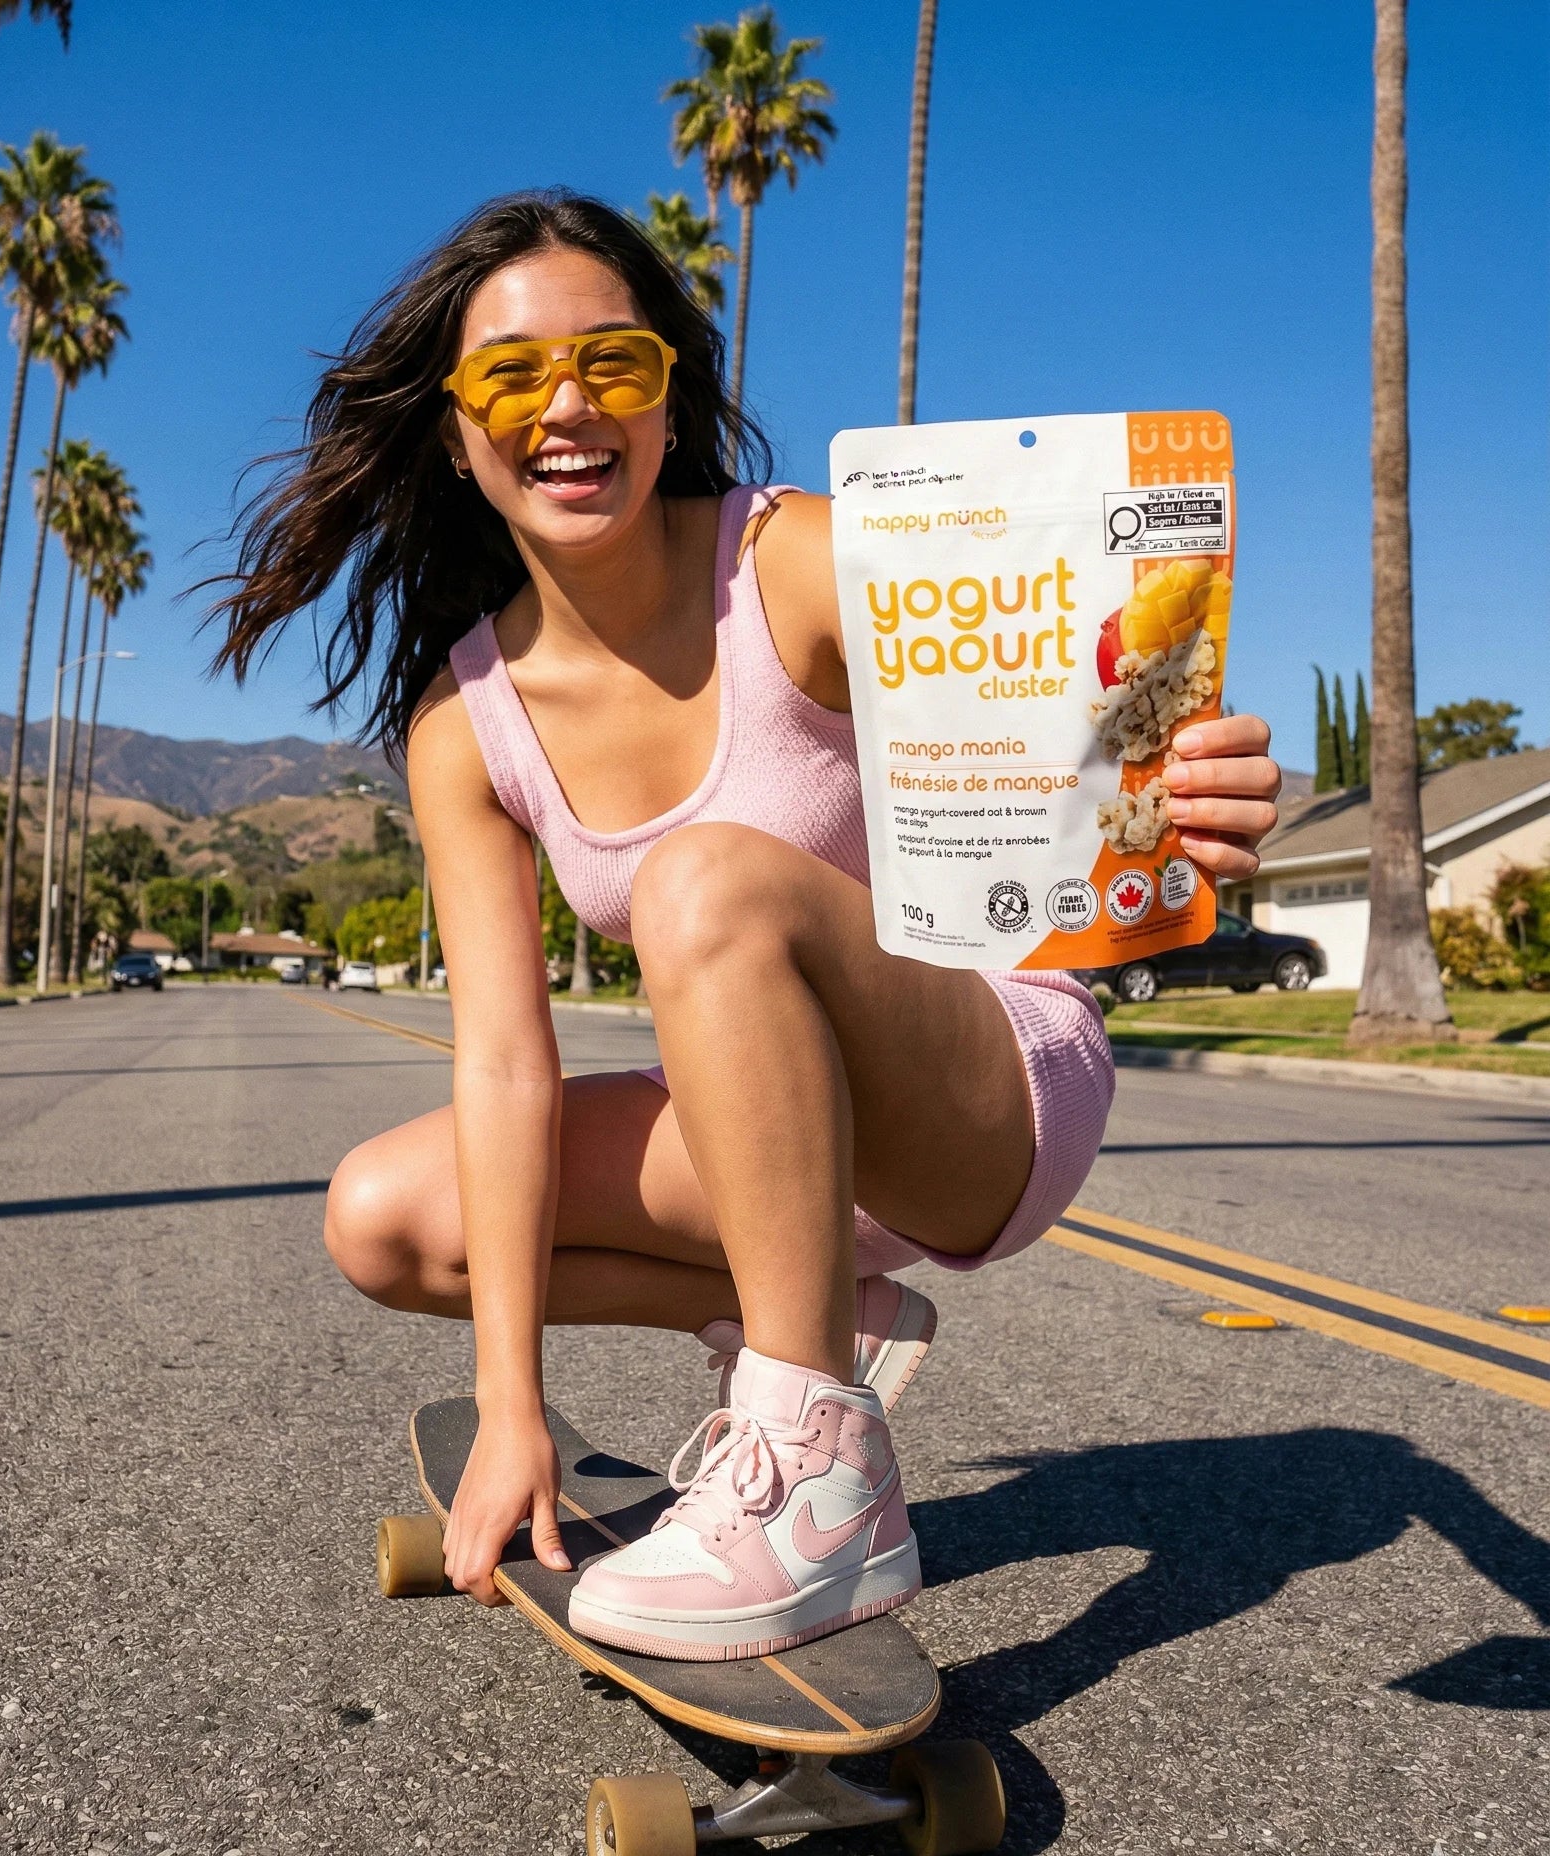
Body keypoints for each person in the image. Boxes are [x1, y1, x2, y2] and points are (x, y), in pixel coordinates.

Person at [210, 191, 1281, 1661]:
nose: (568, 405)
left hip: (987, 1090)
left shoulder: (795, 564)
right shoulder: (466, 725)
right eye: (513, 377)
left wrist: (1181, 787)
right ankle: (821, 1323)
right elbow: (506, 1067)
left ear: (668, 400)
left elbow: (1081, 746)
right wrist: (510, 1402)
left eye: (616, 365)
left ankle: (820, 1478)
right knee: (386, 1220)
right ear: (457, 433)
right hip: (777, 1147)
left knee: (700, 879)